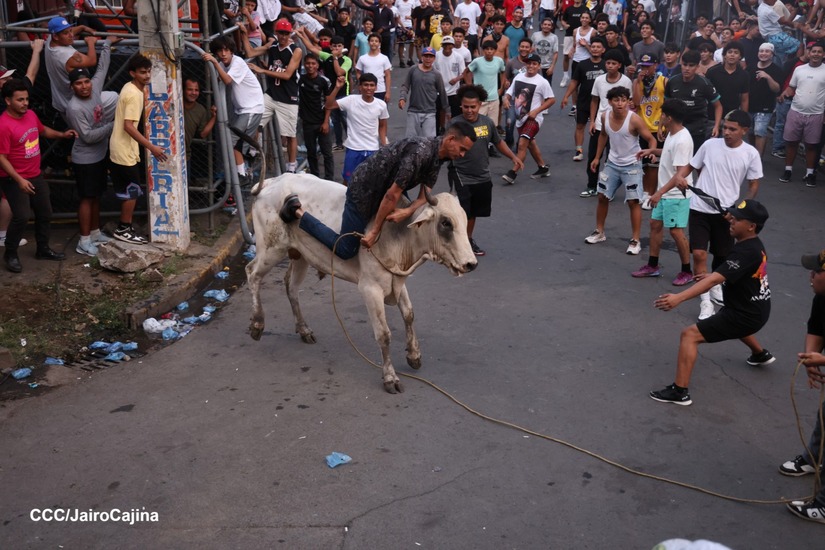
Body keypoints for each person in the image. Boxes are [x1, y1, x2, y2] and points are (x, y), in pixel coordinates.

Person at [277, 122, 477, 259]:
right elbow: (392, 194)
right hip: (365, 189)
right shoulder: (421, 152)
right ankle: (298, 212)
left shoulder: (439, 156)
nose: (462, 154)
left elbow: (426, 193)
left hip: (387, 188)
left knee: (404, 226)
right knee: (346, 250)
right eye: (462, 149)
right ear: (450, 140)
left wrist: (407, 211)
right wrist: (374, 231)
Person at [650, 199, 771, 406]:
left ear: (751, 226)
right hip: (755, 308)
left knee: (689, 335)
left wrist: (678, 298)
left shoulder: (745, 251)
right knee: (728, 320)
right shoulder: (752, 245)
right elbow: (728, 273)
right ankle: (760, 354)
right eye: (732, 215)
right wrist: (710, 275)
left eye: (737, 219)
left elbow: (716, 280)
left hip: (745, 314)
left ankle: (680, 392)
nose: (731, 220)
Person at [666, 109, 763, 321]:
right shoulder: (710, 145)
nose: (726, 132)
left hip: (726, 214)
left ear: (744, 131)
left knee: (721, 258)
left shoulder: (751, 154)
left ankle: (715, 286)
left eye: (732, 129)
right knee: (699, 254)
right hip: (699, 208)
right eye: (725, 127)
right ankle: (705, 302)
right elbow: (690, 167)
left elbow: (753, 183)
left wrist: (740, 210)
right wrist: (680, 177)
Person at [0, 79, 76, 272]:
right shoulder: (3, 125)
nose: (25, 103)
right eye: (20, 100)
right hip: (14, 178)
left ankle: (43, 249)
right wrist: (19, 180)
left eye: (26, 99)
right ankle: (10, 253)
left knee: (45, 213)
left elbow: (42, 131)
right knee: (22, 216)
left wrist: (61, 135)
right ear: (8, 101)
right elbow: (1, 158)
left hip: (35, 175)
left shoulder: (31, 115)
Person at [448, 85, 524, 256]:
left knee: (473, 212)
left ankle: (467, 239)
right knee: (462, 211)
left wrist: (513, 157)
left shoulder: (487, 123)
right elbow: (444, 146)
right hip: (459, 173)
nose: (469, 110)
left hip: (481, 174)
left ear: (479, 105)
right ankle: (458, 244)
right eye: (465, 106)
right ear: (461, 105)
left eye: (472, 106)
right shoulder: (454, 124)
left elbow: (498, 142)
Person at [585, 86, 657, 255]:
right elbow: (603, 136)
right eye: (616, 100)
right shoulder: (604, 116)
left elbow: (650, 139)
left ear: (628, 102)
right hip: (612, 163)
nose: (620, 103)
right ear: (609, 102)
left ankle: (635, 240)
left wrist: (651, 152)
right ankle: (599, 232)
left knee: (633, 202)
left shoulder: (634, 120)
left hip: (632, 165)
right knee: (602, 197)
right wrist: (596, 157)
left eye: (623, 100)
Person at [781, 249, 825, 523]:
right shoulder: (821, 298)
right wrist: (812, 360)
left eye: (816, 272)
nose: (810, 277)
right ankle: (813, 458)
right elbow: (816, 329)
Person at [64, 42, 118, 257]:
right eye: (79, 83)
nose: (85, 86)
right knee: (87, 198)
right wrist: (114, 124)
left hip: (99, 155)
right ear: (72, 87)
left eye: (87, 81)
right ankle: (83, 241)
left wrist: (106, 45)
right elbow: (87, 137)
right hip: (85, 159)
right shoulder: (74, 108)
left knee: (96, 196)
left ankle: (95, 233)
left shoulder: (94, 88)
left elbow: (102, 68)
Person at [632, 98, 694, 286]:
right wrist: (652, 150)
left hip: (676, 195)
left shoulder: (683, 140)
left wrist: (659, 193)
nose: (660, 117)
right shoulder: (672, 134)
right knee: (655, 224)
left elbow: (680, 175)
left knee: (676, 232)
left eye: (663, 114)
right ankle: (652, 266)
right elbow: (667, 152)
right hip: (665, 192)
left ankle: (686, 271)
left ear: (669, 117)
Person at [109, 54, 169, 245]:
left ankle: (125, 227)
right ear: (132, 73)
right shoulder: (134, 94)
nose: (147, 76)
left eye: (148, 71)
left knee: (128, 191)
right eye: (142, 72)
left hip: (120, 148)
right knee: (132, 192)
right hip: (124, 151)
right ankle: (123, 228)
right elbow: (129, 126)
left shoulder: (129, 87)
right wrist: (152, 148)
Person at [242, 19, 302, 174]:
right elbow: (250, 53)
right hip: (271, 93)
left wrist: (263, 71)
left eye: (286, 33)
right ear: (276, 32)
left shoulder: (296, 50)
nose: (283, 36)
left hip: (288, 97)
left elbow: (288, 75)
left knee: (289, 135)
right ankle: (254, 152)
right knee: (255, 120)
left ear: (290, 33)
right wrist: (243, 34)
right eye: (280, 33)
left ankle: (291, 167)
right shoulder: (273, 45)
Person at [325, 73, 390, 184]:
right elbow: (328, 105)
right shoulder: (351, 100)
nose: (368, 88)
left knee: (371, 182)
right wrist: (337, 88)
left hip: (372, 149)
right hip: (353, 149)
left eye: (371, 85)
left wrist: (384, 144)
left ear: (376, 87)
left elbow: (382, 125)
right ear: (360, 87)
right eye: (365, 85)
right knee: (348, 181)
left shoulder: (381, 105)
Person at [501, 54, 555, 184]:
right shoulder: (518, 77)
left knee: (522, 143)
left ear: (539, 66)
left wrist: (537, 111)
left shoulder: (542, 82)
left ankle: (512, 173)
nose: (531, 66)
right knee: (531, 144)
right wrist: (505, 99)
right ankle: (542, 167)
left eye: (534, 64)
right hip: (521, 119)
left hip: (534, 119)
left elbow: (552, 99)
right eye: (529, 63)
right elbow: (509, 92)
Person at [779, 41, 825, 188]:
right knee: (791, 142)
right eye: (813, 51)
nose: (816, 54)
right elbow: (792, 88)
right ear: (808, 53)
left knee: (812, 145)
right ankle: (788, 170)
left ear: (823, 55)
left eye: (819, 52)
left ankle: (810, 174)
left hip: (816, 114)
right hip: (796, 111)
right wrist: (784, 94)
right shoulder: (799, 69)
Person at [560, 35, 606, 175]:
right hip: (584, 101)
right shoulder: (582, 65)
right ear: (590, 48)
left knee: (600, 129)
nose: (595, 49)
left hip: (601, 103)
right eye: (593, 47)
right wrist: (566, 96)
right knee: (580, 125)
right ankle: (579, 149)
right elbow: (575, 82)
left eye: (598, 47)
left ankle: (598, 152)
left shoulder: (606, 65)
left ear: (603, 50)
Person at [664, 49, 722, 152]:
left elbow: (718, 106)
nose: (687, 68)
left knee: (694, 162)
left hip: (697, 129)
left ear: (697, 67)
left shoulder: (704, 83)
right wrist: (662, 125)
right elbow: (666, 106)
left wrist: (716, 126)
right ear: (681, 64)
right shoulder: (672, 81)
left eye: (691, 65)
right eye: (685, 65)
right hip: (676, 127)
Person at [44, 16, 99, 118]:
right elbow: (92, 61)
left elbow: (65, 32)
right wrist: (91, 43)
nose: (71, 35)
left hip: (61, 100)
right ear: (55, 36)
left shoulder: (50, 41)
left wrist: (82, 27)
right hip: (74, 105)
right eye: (66, 33)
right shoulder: (66, 54)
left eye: (70, 31)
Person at [632, 53, 666, 209]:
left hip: (657, 127)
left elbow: (667, 105)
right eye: (642, 66)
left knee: (654, 164)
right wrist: (638, 81)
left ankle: (650, 194)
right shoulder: (637, 82)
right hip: (642, 127)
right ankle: (644, 192)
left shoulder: (663, 81)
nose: (645, 69)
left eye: (648, 66)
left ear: (655, 65)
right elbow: (637, 102)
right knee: (643, 163)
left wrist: (663, 125)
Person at [298, 53, 335, 179]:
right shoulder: (300, 80)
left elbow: (329, 103)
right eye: (308, 63)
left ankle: (330, 180)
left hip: (321, 122)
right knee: (311, 153)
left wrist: (326, 122)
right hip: (307, 122)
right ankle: (315, 178)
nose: (310, 66)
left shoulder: (324, 81)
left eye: (313, 63)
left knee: (327, 153)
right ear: (304, 64)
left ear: (318, 65)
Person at [399, 46, 448, 138]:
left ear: (434, 58)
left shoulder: (437, 75)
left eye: (431, 56)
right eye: (426, 56)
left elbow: (442, 93)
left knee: (428, 141)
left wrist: (447, 111)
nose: (428, 59)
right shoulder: (413, 70)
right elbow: (405, 86)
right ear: (422, 57)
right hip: (413, 111)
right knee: (410, 141)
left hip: (429, 112)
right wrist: (402, 98)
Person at [747, 43, 783, 157]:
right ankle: (753, 154)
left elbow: (776, 89)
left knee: (760, 132)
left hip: (765, 107)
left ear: (772, 54)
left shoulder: (776, 69)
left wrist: (767, 77)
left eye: (767, 51)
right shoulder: (751, 66)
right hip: (750, 105)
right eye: (761, 51)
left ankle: (758, 160)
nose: (763, 53)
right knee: (751, 132)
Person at [182, 78, 217, 168]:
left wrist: (214, 117)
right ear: (183, 90)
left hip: (185, 155)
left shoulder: (200, 110)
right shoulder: (174, 103)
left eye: (196, 90)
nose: (193, 93)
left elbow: (203, 134)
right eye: (190, 89)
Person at [434, 36, 466, 120]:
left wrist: (456, 79)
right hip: (439, 91)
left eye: (449, 44)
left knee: (456, 114)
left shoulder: (458, 57)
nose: (447, 47)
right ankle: (440, 129)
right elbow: (431, 70)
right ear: (442, 45)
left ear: (453, 46)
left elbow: (464, 73)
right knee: (438, 113)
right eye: (445, 44)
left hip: (454, 91)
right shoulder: (436, 55)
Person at [355, 33, 393, 102]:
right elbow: (358, 72)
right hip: (366, 90)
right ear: (368, 43)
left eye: (376, 41)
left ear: (379, 44)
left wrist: (388, 92)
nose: (374, 43)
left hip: (380, 90)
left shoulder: (384, 58)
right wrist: (361, 85)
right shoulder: (362, 58)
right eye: (372, 41)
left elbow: (387, 75)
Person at [531, 18, 559, 87]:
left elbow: (555, 53)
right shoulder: (535, 35)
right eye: (545, 24)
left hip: (547, 66)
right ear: (541, 25)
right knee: (533, 85)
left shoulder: (554, 37)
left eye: (549, 25)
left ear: (552, 27)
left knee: (547, 86)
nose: (546, 26)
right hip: (535, 65)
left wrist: (552, 67)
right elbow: (530, 48)